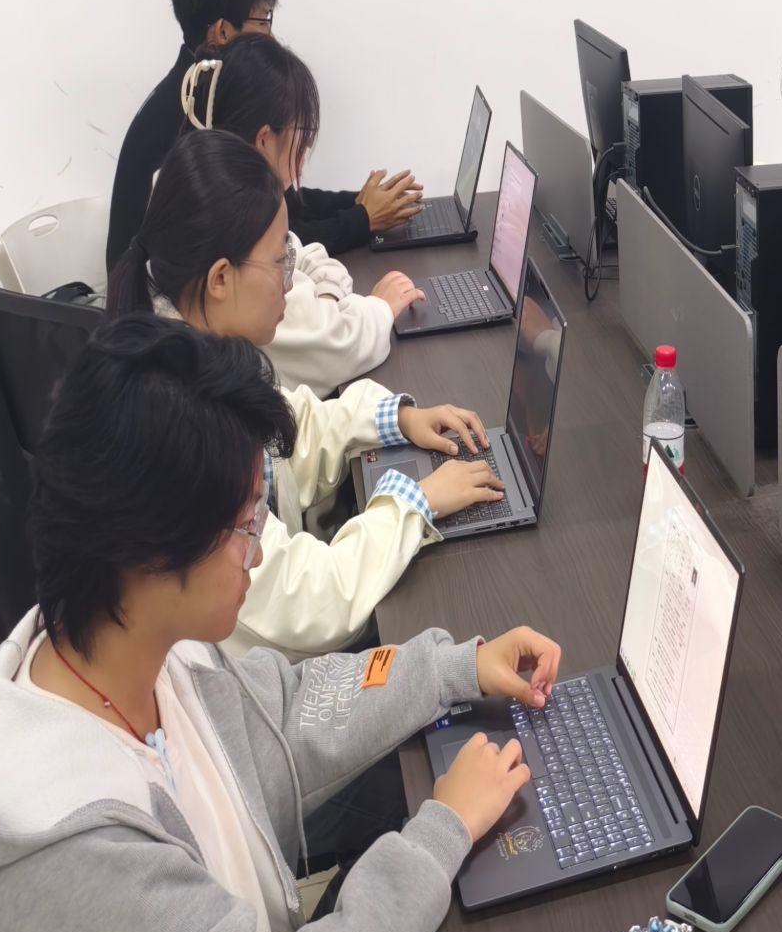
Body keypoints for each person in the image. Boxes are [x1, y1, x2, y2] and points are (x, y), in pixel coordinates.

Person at [0, 312, 557, 932]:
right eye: (242, 528)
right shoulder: (71, 848)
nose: (258, 553)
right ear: (143, 553)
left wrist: (450, 668)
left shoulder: (132, 650)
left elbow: (286, 715)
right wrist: (440, 828)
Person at [110, 129, 507, 661]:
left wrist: (395, 417)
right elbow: (316, 604)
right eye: (280, 262)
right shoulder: (183, 431)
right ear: (221, 278)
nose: (291, 281)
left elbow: (292, 430)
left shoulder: (198, 354)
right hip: (263, 679)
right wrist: (417, 503)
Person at [105, 0, 421, 272]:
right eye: (264, 21)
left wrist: (359, 202)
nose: (270, 36)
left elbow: (275, 201)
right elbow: (264, 239)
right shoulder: (196, 113)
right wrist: (362, 218)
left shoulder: (198, 87)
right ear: (222, 32)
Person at [179, 33, 421, 393]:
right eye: (302, 140)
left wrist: (323, 305)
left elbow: (306, 253)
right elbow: (338, 346)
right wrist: (380, 308)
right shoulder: (234, 239)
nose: (303, 160)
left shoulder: (204, 189)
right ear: (264, 140)